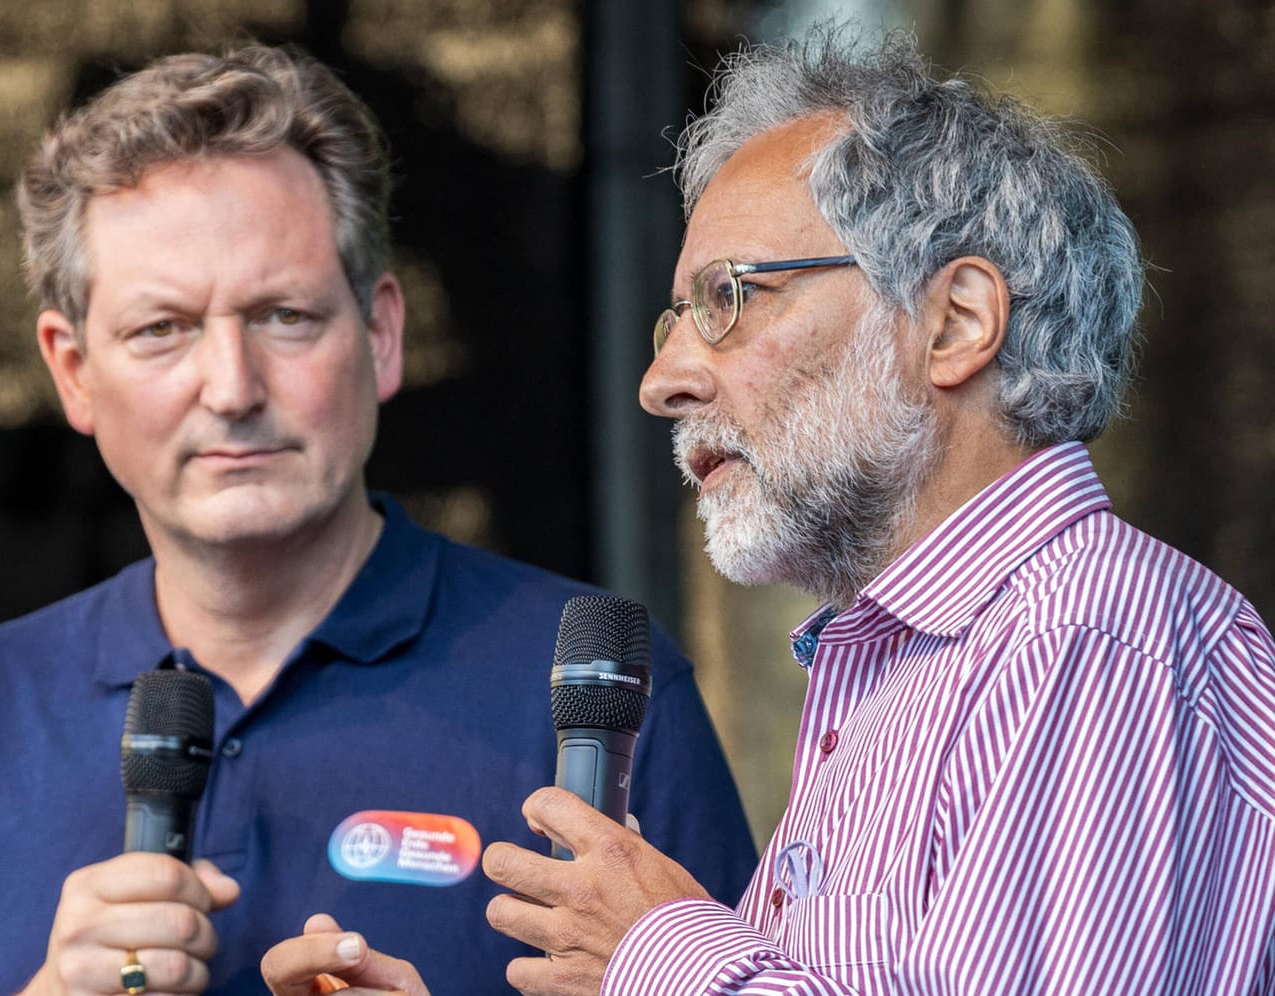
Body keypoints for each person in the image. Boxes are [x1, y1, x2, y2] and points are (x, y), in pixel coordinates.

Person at [263, 28, 1275, 996]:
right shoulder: (911, 668)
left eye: (727, 299)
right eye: (676, 317)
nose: (662, 379)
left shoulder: (1090, 643)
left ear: (957, 322)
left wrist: (659, 954)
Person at [0, 43, 755, 996]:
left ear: (379, 335)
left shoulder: (597, 695)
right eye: (162, 330)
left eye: (284, 317)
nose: (232, 387)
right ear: (73, 371)